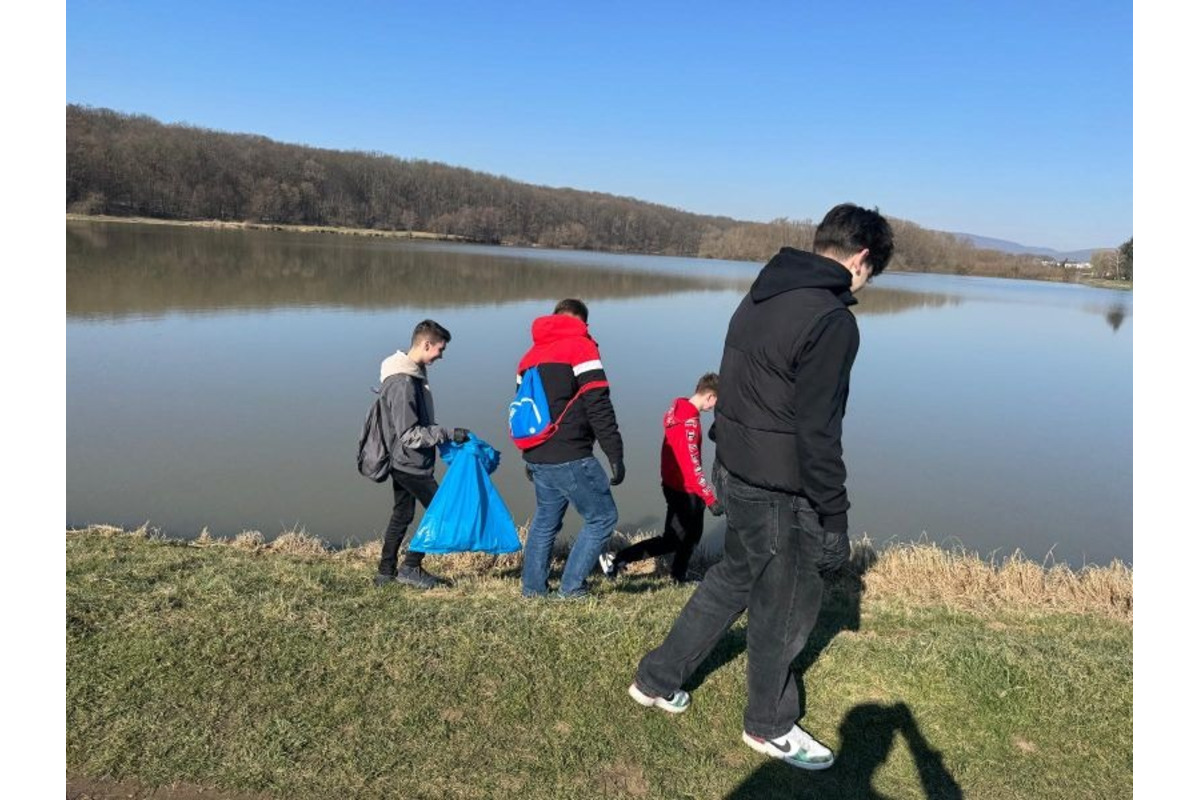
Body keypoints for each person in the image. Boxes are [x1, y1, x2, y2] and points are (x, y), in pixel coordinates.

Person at [626, 203, 894, 770]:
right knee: (786, 604)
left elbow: (734, 386)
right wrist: (835, 519)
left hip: (739, 469)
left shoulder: (760, 294)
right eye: (871, 274)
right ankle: (770, 725)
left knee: (730, 580)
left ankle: (655, 680)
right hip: (781, 487)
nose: (865, 285)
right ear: (861, 258)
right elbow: (819, 430)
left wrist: (720, 458)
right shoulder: (831, 319)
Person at [516, 298, 624, 599]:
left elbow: (522, 409)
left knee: (545, 520)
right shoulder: (581, 347)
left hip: (538, 454)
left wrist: (529, 452)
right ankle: (572, 587)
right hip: (570, 454)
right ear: (582, 322)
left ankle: (533, 589)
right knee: (602, 518)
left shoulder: (529, 355)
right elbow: (598, 403)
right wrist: (614, 452)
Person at [599, 373, 724, 583]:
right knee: (678, 539)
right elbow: (692, 466)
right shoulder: (690, 424)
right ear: (710, 396)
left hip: (672, 484)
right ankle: (621, 560)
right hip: (685, 489)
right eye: (716, 403)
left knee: (683, 537)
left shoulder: (677, 411)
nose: (714, 408)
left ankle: (676, 575)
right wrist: (710, 499)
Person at [373, 320, 470, 590]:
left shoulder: (410, 374)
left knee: (402, 514)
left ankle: (385, 572)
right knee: (443, 511)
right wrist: (448, 433)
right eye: (440, 349)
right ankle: (411, 567)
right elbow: (409, 434)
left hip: (401, 460)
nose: (441, 355)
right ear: (426, 344)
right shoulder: (404, 383)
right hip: (409, 463)